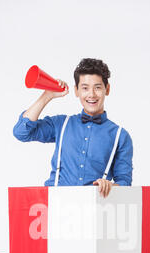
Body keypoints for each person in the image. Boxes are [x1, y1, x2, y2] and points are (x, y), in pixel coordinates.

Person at [13, 58, 133, 198]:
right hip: (55, 205)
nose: (91, 94)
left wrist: (110, 185)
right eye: (85, 88)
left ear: (107, 89)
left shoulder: (120, 135)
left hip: (94, 208)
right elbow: (21, 132)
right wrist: (47, 95)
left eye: (97, 87)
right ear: (76, 91)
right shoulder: (61, 123)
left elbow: (125, 182)